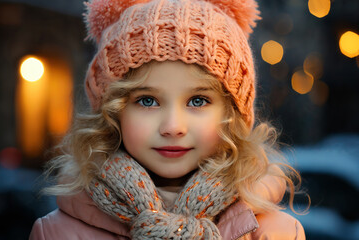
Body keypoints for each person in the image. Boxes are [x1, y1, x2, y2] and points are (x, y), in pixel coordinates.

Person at [30, 0, 307, 239]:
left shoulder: (276, 233)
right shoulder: (55, 233)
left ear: (231, 114)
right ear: (112, 113)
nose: (173, 127)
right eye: (147, 101)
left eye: (198, 101)